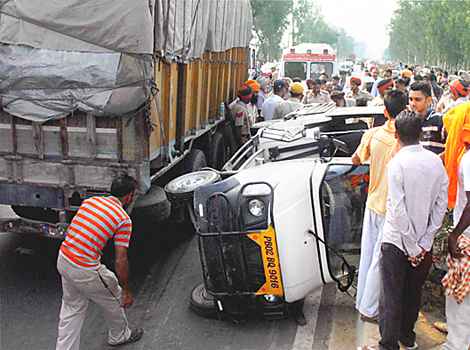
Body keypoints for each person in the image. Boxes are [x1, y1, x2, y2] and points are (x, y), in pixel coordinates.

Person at [361, 111, 448, 350]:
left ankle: (388, 345)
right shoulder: (435, 162)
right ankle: (407, 340)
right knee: (412, 294)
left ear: (397, 135)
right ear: (420, 133)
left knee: (390, 295)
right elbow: (441, 205)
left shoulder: (397, 163)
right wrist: (424, 242)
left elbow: (397, 209)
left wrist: (411, 246)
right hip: (422, 245)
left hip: (397, 242)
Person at [56, 175, 143, 349]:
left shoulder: (91, 201)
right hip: (85, 269)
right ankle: (120, 335)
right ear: (128, 196)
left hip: (64, 259)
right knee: (114, 297)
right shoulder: (123, 219)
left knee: (72, 308)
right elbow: (121, 259)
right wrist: (126, 290)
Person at [352, 90, 408, 322]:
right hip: (392, 207)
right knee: (381, 260)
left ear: (385, 111)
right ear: (405, 110)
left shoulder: (372, 135)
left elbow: (356, 160)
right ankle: (370, 308)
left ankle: (362, 302)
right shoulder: (406, 138)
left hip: (373, 202)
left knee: (369, 255)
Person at [441, 104, 470, 349]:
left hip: (467, 235)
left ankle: (456, 345)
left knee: (461, 295)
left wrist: (455, 234)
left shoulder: (469, 160)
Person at [408, 81, 445, 154]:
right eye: (410, 99)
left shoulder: (439, 121)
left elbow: (451, 146)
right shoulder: (407, 121)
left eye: (417, 99)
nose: (413, 103)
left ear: (429, 100)